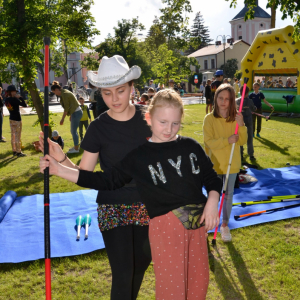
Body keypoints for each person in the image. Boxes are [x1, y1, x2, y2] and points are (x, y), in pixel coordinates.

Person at [40, 88, 222, 300]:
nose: (168, 130)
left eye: (175, 123)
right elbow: (106, 180)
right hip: (165, 228)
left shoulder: (191, 146)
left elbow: (212, 178)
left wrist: (212, 201)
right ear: (149, 119)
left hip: (198, 227)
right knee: (172, 289)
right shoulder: (139, 157)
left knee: (198, 284)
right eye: (162, 122)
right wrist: (59, 168)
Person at [39, 55, 152, 300]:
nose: (114, 99)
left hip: (150, 206)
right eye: (107, 93)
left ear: (132, 86)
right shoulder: (97, 127)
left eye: (120, 91)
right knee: (123, 272)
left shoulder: (151, 119)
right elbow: (86, 174)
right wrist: (60, 159)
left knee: (139, 269)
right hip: (113, 206)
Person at [203, 83, 247, 242]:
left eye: (227, 99)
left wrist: (241, 126)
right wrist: (226, 140)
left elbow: (242, 141)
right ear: (215, 99)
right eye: (220, 98)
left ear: (231, 101)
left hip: (232, 165)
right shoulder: (209, 119)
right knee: (212, 196)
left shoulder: (236, 119)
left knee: (228, 196)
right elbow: (208, 141)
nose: (223, 102)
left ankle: (225, 225)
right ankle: (209, 223)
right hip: (214, 166)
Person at [51, 80, 82, 153]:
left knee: (73, 131)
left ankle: (76, 149)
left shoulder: (64, 94)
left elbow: (66, 108)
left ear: (56, 90)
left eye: (54, 92)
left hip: (76, 113)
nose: (55, 94)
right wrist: (71, 115)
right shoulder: (64, 92)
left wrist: (62, 119)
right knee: (73, 131)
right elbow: (71, 104)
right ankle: (75, 147)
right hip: (76, 112)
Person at [4, 85, 27, 157]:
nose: (15, 93)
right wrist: (20, 98)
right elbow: (24, 105)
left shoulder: (6, 100)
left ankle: (14, 150)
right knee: (17, 136)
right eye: (14, 91)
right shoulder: (15, 100)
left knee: (13, 135)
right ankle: (18, 152)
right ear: (11, 92)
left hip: (11, 119)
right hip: (17, 119)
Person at [236, 86, 256, 162]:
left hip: (240, 122)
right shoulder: (250, 101)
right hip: (248, 122)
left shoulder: (237, 101)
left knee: (240, 137)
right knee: (249, 138)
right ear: (247, 93)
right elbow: (253, 108)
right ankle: (251, 155)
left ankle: (240, 154)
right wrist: (255, 108)